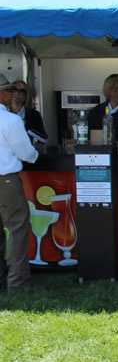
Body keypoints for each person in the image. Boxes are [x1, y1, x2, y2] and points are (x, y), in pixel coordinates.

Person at [0, 74, 38, 291]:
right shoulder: (11, 120)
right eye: (8, 90)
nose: (11, 94)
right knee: (17, 229)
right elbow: (25, 152)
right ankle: (17, 282)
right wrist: (35, 155)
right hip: (5, 181)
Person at [11, 81, 46, 147]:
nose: (17, 93)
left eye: (22, 91)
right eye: (14, 90)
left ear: (26, 95)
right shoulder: (3, 113)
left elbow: (43, 139)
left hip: (26, 154)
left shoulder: (34, 115)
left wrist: (33, 151)